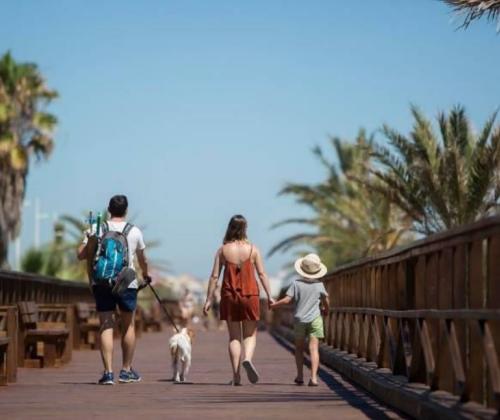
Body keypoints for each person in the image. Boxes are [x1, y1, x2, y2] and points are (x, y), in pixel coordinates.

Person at [78, 194, 150, 385]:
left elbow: (81, 255)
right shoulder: (134, 231)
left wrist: (90, 239)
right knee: (128, 326)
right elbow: (143, 259)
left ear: (109, 210)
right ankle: (126, 371)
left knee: (106, 325)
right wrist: (146, 274)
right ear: (126, 211)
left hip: (101, 282)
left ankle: (108, 373)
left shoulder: (97, 228)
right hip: (126, 282)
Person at [203, 214, 274, 385]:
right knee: (249, 334)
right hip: (250, 295)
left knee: (234, 337)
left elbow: (214, 277)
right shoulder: (253, 249)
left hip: (229, 296)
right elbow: (262, 274)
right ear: (245, 229)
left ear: (230, 228)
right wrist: (270, 295)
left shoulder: (223, 250)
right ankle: (247, 359)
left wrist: (208, 299)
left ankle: (236, 376)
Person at [270, 253, 329, 387]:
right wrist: (326, 310)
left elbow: (287, 300)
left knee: (299, 349)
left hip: (299, 320)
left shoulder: (296, 284)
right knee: (314, 349)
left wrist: (274, 305)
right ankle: (313, 378)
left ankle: (300, 376)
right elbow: (326, 301)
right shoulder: (320, 285)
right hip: (315, 319)